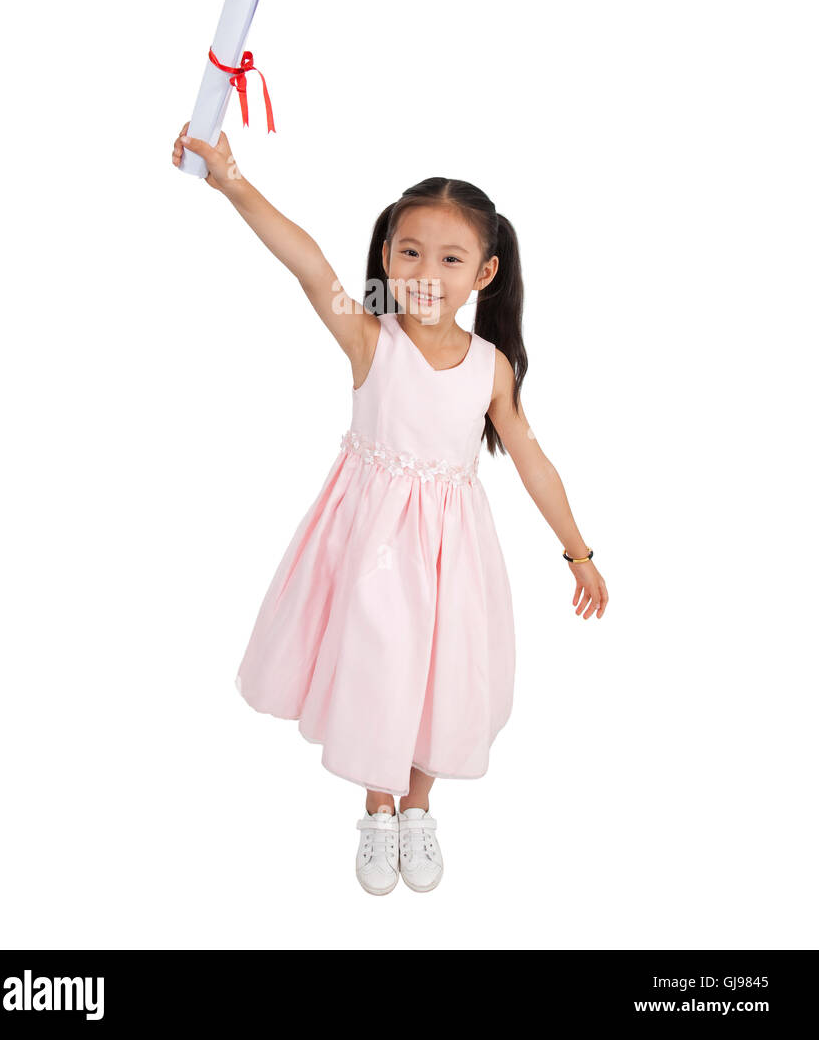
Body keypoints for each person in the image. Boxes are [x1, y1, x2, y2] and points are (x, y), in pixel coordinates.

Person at [172, 123, 609, 895]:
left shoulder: (490, 367)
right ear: (385, 257)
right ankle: (377, 812)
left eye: (450, 258)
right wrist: (233, 181)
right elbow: (307, 266)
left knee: (441, 675)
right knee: (381, 666)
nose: (427, 273)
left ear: (485, 271)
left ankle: (417, 807)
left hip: (452, 552)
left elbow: (532, 458)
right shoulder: (371, 337)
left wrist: (577, 550)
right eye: (410, 252)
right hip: (370, 541)